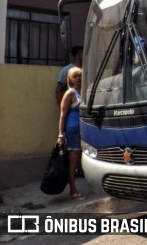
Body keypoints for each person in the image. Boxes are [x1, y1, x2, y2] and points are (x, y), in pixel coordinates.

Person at [57, 67, 85, 200]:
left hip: (84, 130)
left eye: (80, 76)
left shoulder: (83, 91)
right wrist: (60, 134)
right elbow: (62, 115)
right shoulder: (70, 93)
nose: (78, 78)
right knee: (73, 161)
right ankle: (73, 191)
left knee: (80, 160)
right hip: (73, 130)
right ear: (70, 79)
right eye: (75, 76)